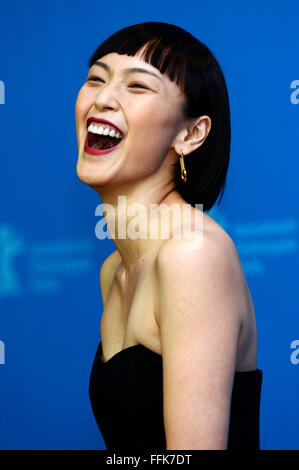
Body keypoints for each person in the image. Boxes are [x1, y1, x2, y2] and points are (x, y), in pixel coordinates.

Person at [75, 21, 262, 450]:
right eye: (95, 78)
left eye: (138, 87)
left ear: (190, 134)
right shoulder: (114, 271)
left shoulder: (191, 254)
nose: (102, 98)